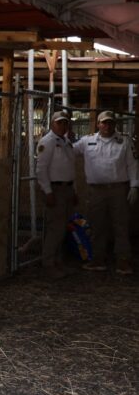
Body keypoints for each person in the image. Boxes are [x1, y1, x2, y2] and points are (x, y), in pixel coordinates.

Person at [73, 111, 139, 274]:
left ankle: (123, 260)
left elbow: (132, 164)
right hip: (96, 191)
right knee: (97, 225)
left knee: (121, 225)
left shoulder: (124, 141)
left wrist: (134, 186)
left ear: (115, 124)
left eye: (110, 122)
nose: (107, 126)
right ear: (98, 124)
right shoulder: (87, 141)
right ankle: (98, 259)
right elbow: (69, 151)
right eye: (104, 122)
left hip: (118, 190)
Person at [35, 111, 76, 279]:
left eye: (65, 123)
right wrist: (48, 191)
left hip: (66, 189)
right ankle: (48, 263)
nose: (62, 126)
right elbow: (41, 169)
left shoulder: (66, 142)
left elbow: (70, 168)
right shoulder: (47, 142)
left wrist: (73, 190)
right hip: (55, 189)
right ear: (52, 124)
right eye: (59, 123)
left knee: (62, 228)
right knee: (55, 229)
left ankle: (58, 261)